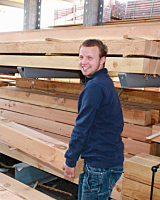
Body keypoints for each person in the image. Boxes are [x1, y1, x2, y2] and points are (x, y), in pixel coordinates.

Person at [62, 39, 124, 199]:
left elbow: (81, 127)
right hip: (108, 160)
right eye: (81, 57)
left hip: (100, 166)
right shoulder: (104, 82)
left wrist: (70, 160)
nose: (84, 62)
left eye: (90, 58)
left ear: (102, 60)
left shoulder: (95, 87)